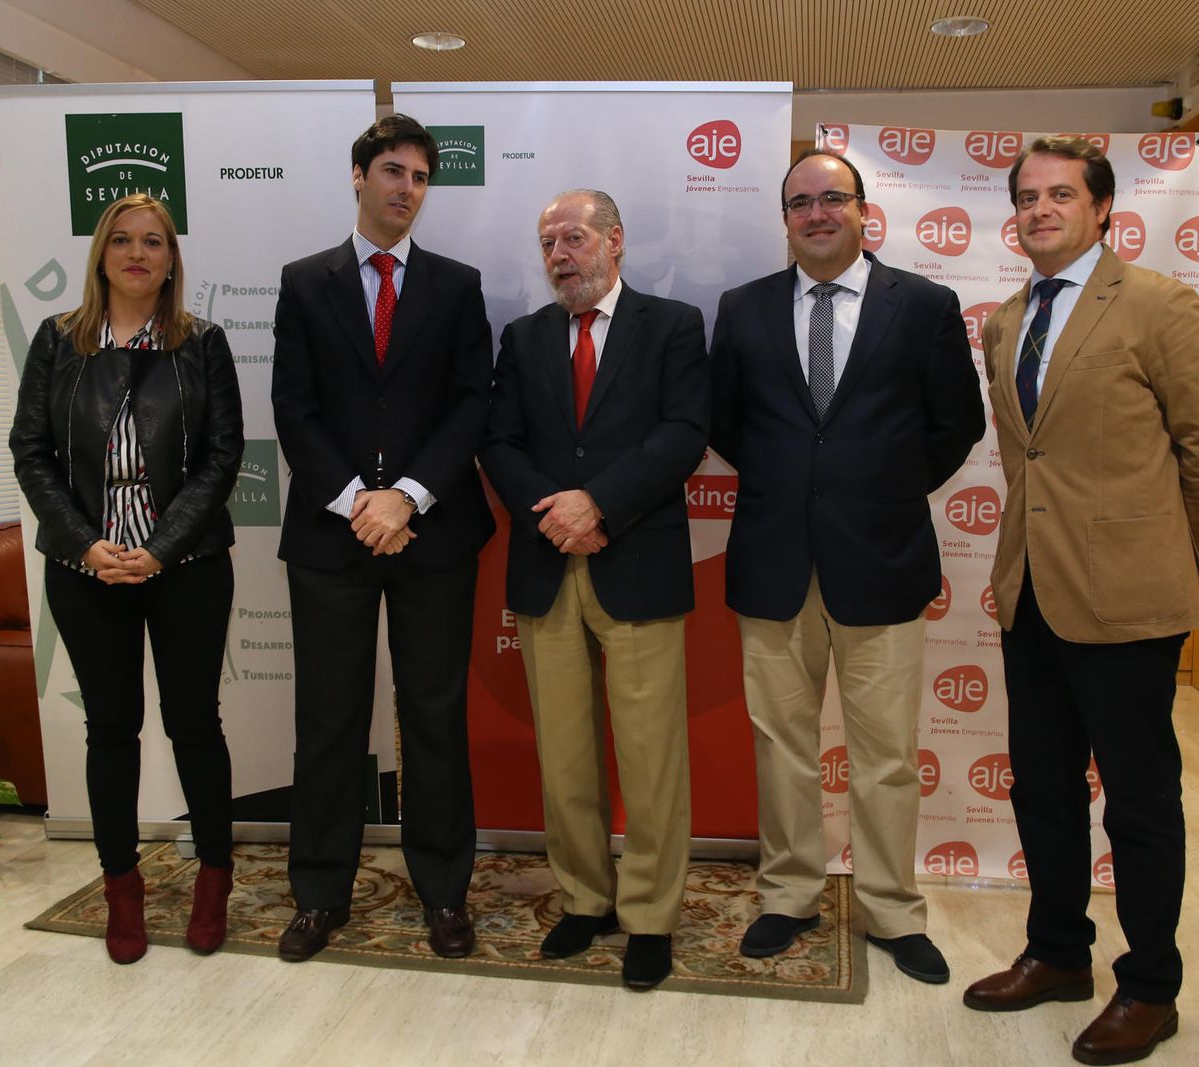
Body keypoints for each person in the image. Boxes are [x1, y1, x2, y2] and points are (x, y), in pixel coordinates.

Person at [964, 136, 1199, 1065]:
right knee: (1042, 788)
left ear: (1101, 210)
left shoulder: (1159, 304)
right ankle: (1057, 953)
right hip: (1032, 591)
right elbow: (1025, 456)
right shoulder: (1006, 321)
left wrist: (1165, 548)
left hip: (1130, 600)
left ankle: (1151, 985)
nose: (1039, 209)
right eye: (1027, 197)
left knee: (1139, 800)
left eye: (1059, 195)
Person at [709, 150, 983, 983]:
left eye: (834, 198)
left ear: (865, 212)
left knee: (887, 753)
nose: (817, 213)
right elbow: (725, 422)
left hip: (884, 559)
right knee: (783, 744)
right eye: (801, 202)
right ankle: (788, 894)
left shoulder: (924, 304)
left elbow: (955, 423)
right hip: (774, 561)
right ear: (784, 217)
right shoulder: (744, 307)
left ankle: (893, 910)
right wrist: (799, 487)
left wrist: (880, 492)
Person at [270, 115, 493, 962]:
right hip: (332, 538)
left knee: (434, 717)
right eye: (394, 172)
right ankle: (321, 894)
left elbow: (473, 400)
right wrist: (355, 501)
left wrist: (403, 498)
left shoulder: (456, 283)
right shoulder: (305, 280)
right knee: (328, 719)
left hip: (432, 535)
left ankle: (444, 892)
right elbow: (295, 405)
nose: (408, 189)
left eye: (422, 177)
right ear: (358, 175)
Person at [480, 189, 708, 990]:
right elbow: (498, 439)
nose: (559, 255)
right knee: (566, 755)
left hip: (634, 559)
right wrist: (556, 516)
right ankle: (584, 899)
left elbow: (683, 433)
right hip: (549, 567)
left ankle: (649, 914)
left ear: (615, 240)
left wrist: (598, 503)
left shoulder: (672, 326)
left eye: (573, 237)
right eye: (547, 243)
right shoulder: (523, 336)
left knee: (650, 757)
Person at [9, 193, 244, 964]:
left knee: (193, 724)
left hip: (188, 567)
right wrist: (84, 544)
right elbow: (31, 450)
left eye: (154, 241)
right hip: (87, 571)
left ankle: (214, 875)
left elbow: (221, 455)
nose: (138, 253)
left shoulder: (202, 344)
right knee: (110, 730)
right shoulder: (57, 342)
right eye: (122, 240)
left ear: (173, 260)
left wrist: (162, 546)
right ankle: (123, 887)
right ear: (101, 255)